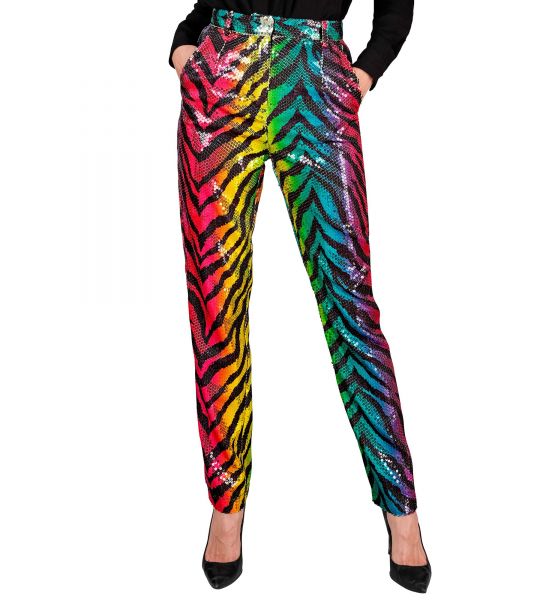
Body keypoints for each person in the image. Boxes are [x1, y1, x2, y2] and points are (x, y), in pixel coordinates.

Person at [169, 2, 431, 592]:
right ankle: (226, 507)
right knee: (215, 305)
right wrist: (186, 46)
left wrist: (364, 71)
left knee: (350, 302)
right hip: (220, 79)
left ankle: (402, 510)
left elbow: (396, 5)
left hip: (316, 77)